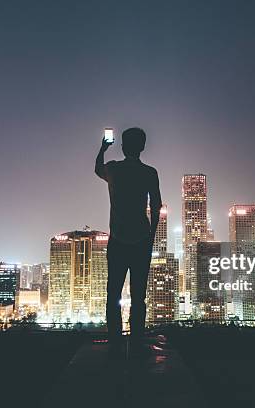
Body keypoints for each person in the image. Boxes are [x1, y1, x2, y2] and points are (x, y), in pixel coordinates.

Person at [94, 127, 162, 352]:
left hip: (118, 240)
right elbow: (156, 206)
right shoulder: (150, 173)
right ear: (142, 147)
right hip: (141, 240)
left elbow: (97, 169)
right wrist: (151, 236)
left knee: (113, 294)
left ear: (122, 146)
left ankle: (115, 342)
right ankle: (136, 342)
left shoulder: (113, 170)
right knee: (138, 296)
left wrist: (103, 148)